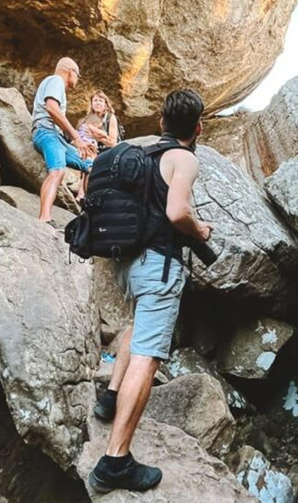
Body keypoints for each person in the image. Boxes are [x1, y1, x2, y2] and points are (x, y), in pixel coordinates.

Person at [88, 90, 213, 493]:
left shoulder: (143, 156)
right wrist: (200, 230)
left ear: (161, 122)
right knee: (148, 355)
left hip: (128, 265)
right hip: (159, 267)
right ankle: (116, 461)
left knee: (133, 326)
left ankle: (110, 398)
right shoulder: (184, 158)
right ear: (197, 127)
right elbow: (177, 212)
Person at [31, 57, 94, 222]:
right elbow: (52, 108)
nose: (77, 80)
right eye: (78, 75)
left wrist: (76, 142)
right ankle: (44, 218)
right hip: (46, 133)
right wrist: (77, 138)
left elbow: (59, 122)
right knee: (57, 171)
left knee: (90, 165)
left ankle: (87, 211)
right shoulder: (56, 81)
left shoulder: (56, 85)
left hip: (57, 137)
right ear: (70, 71)